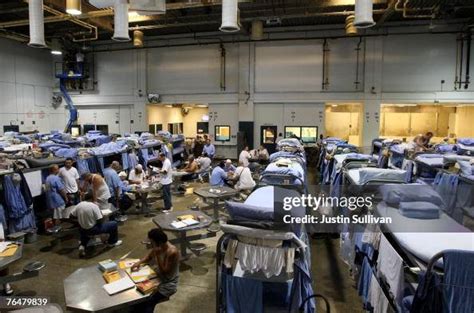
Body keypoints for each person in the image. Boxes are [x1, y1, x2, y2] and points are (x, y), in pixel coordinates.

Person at [131, 229, 179, 313]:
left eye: (152, 242)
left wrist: (157, 254)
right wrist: (139, 262)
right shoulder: (159, 246)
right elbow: (149, 257)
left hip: (168, 284)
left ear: (159, 242)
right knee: (138, 297)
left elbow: (165, 271)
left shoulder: (172, 252)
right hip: (157, 277)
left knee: (149, 302)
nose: (151, 244)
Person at [72, 193, 122, 257]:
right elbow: (99, 220)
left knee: (85, 231)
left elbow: (72, 215)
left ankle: (82, 246)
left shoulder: (79, 205)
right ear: (92, 198)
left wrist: (82, 219)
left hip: (82, 229)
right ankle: (112, 242)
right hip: (93, 229)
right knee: (113, 224)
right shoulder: (94, 206)